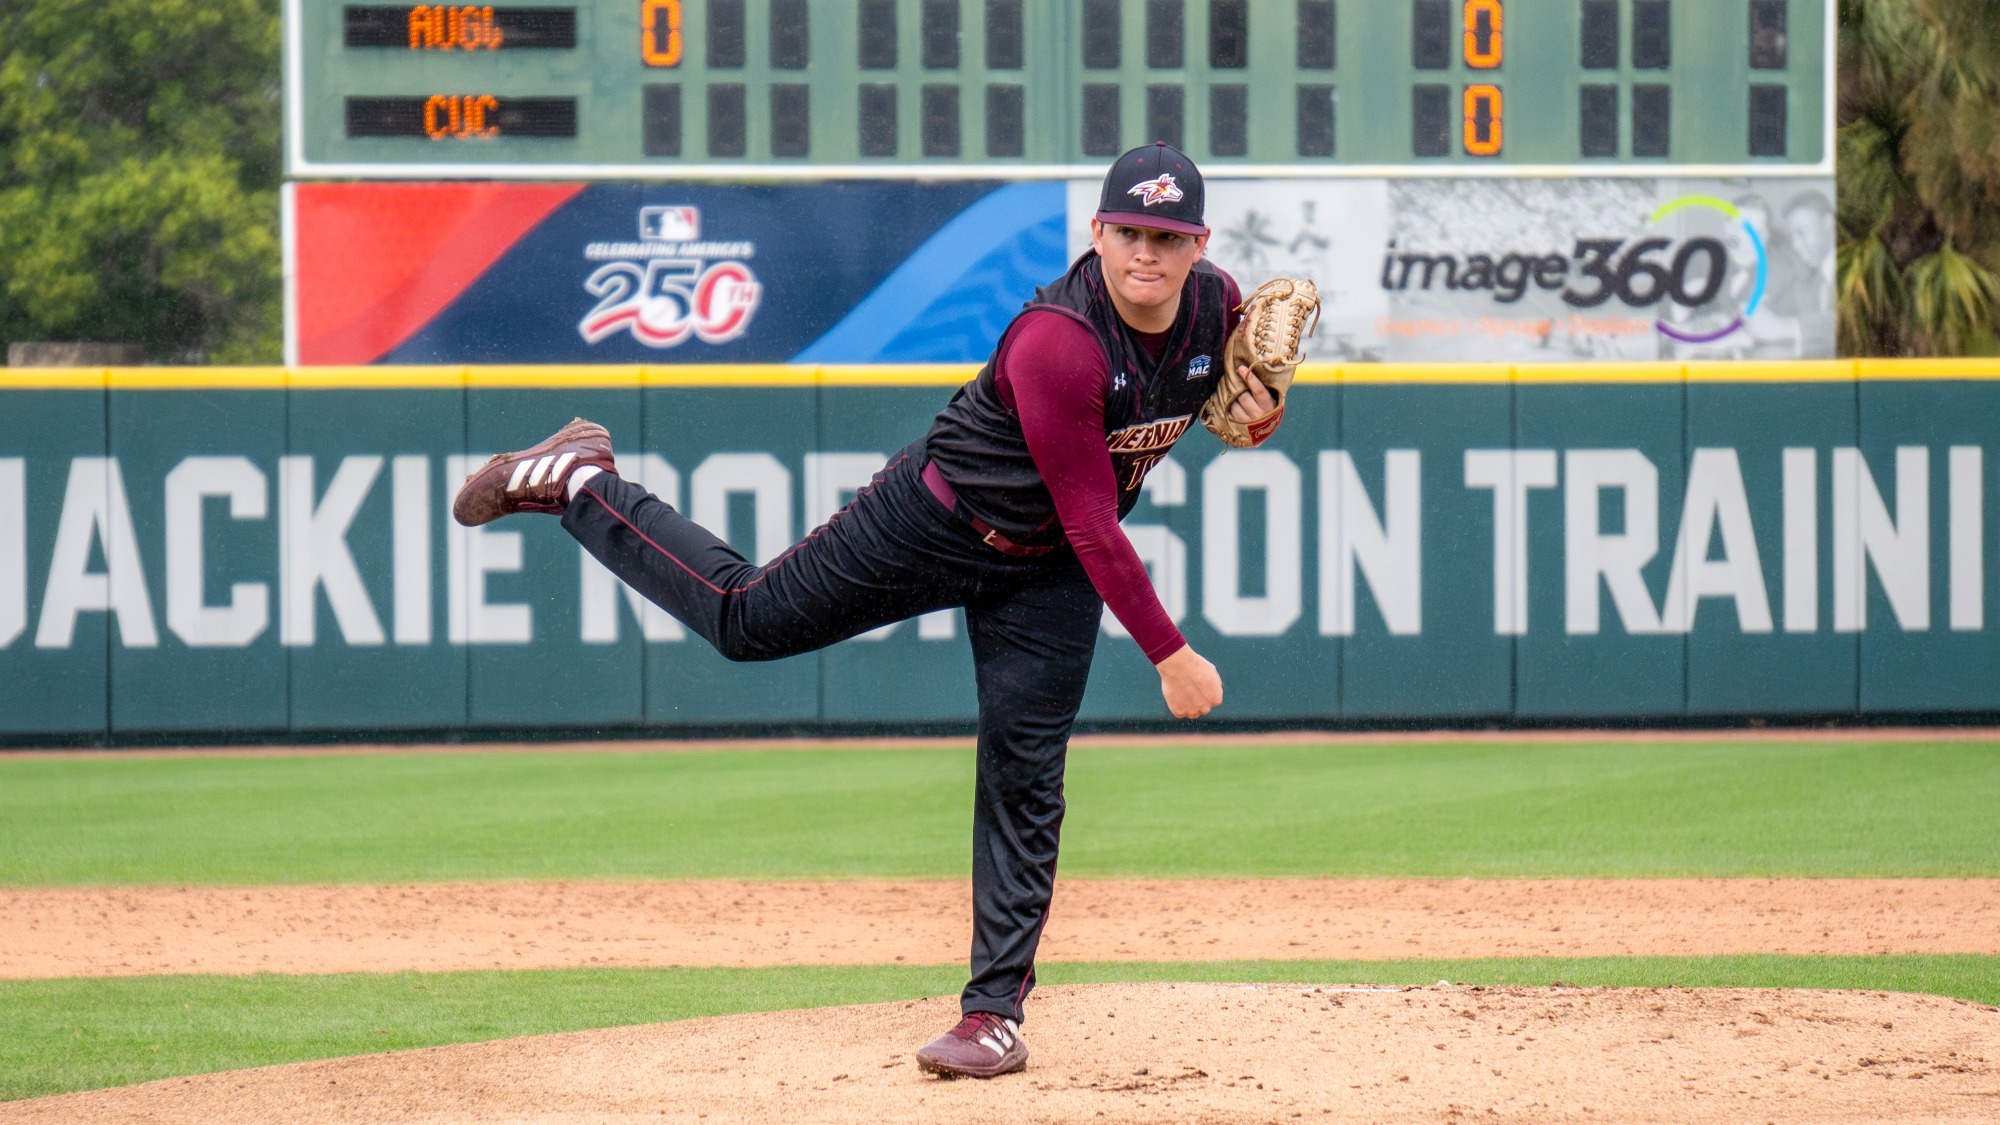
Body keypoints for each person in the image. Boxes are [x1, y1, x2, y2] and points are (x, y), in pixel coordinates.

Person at [452, 143, 1298, 1079]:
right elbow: (1094, 521)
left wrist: (1261, 410)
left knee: (1026, 776)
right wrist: (1169, 651)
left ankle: (991, 1017)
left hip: (1044, 571)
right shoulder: (1058, 340)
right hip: (937, 517)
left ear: (1198, 244)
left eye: (1168, 237)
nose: (1148, 252)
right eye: (1130, 231)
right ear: (1097, 232)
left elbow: (1234, 408)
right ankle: (581, 479)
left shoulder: (1219, 307)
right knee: (747, 620)